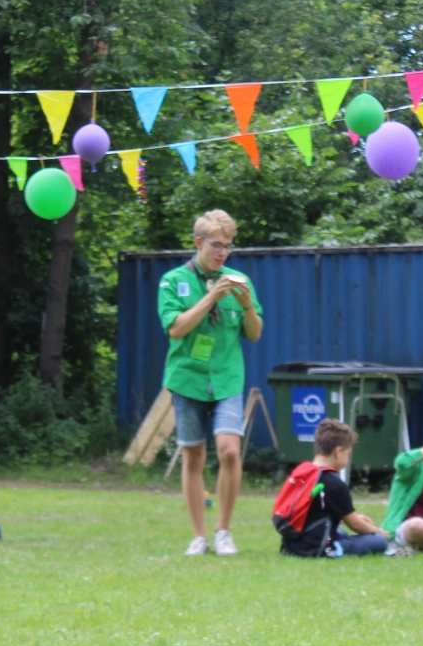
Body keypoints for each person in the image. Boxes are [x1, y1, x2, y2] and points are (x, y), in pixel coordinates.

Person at [159, 209, 264, 556]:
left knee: (230, 451)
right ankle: (199, 537)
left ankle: (223, 531)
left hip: (227, 379)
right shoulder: (173, 281)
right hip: (188, 379)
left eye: (228, 246)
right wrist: (211, 298)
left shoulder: (239, 281)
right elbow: (176, 329)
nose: (223, 252)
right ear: (198, 242)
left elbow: (255, 334)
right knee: (193, 456)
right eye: (217, 245)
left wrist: (247, 306)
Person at [276, 420, 388, 558]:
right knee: (379, 541)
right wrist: (380, 532)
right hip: (316, 548)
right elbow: (356, 525)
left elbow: (312, 512)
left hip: (292, 545)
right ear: (338, 452)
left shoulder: (304, 472)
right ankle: (334, 548)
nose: (348, 458)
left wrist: (350, 519)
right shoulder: (333, 482)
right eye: (348, 453)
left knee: (342, 533)